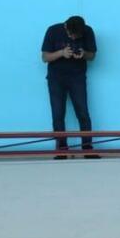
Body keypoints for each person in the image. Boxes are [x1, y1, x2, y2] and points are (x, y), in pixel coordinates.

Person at [40, 15, 98, 158]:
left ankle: (87, 148)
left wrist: (84, 54)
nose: (73, 38)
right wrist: (61, 53)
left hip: (77, 78)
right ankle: (62, 149)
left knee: (83, 113)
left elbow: (92, 56)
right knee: (58, 114)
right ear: (66, 27)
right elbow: (45, 57)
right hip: (56, 78)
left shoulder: (88, 31)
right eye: (71, 35)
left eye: (76, 37)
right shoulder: (53, 30)